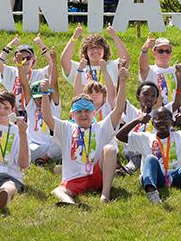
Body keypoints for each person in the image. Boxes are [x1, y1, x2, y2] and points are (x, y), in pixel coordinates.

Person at [40, 58, 129, 205]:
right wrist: (44, 93)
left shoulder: (101, 126)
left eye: (87, 111)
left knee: (110, 149)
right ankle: (69, 202)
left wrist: (123, 82)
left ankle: (105, 195)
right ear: (72, 115)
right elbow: (48, 118)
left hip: (96, 175)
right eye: (79, 111)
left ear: (94, 113)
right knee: (58, 190)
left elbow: (118, 109)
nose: (83, 115)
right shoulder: (66, 128)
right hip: (74, 179)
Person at [116, 107, 181, 206]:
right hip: (155, 176)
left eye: (166, 118)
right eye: (158, 119)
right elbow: (119, 136)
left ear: (172, 122)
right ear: (152, 122)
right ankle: (151, 192)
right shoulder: (145, 138)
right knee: (150, 158)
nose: (161, 122)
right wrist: (137, 120)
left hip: (175, 176)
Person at [138, 36, 181, 118]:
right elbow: (142, 67)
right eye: (160, 51)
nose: (164, 54)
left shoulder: (175, 70)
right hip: (156, 109)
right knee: (157, 96)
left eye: (168, 51)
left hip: (175, 108)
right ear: (154, 53)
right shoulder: (150, 70)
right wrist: (144, 50)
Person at [60, 23, 129, 92]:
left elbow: (125, 58)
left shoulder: (112, 65)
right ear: (85, 52)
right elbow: (64, 61)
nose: (95, 50)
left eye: (99, 47)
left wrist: (114, 36)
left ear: (105, 50)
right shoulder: (80, 67)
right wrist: (74, 37)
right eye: (91, 48)